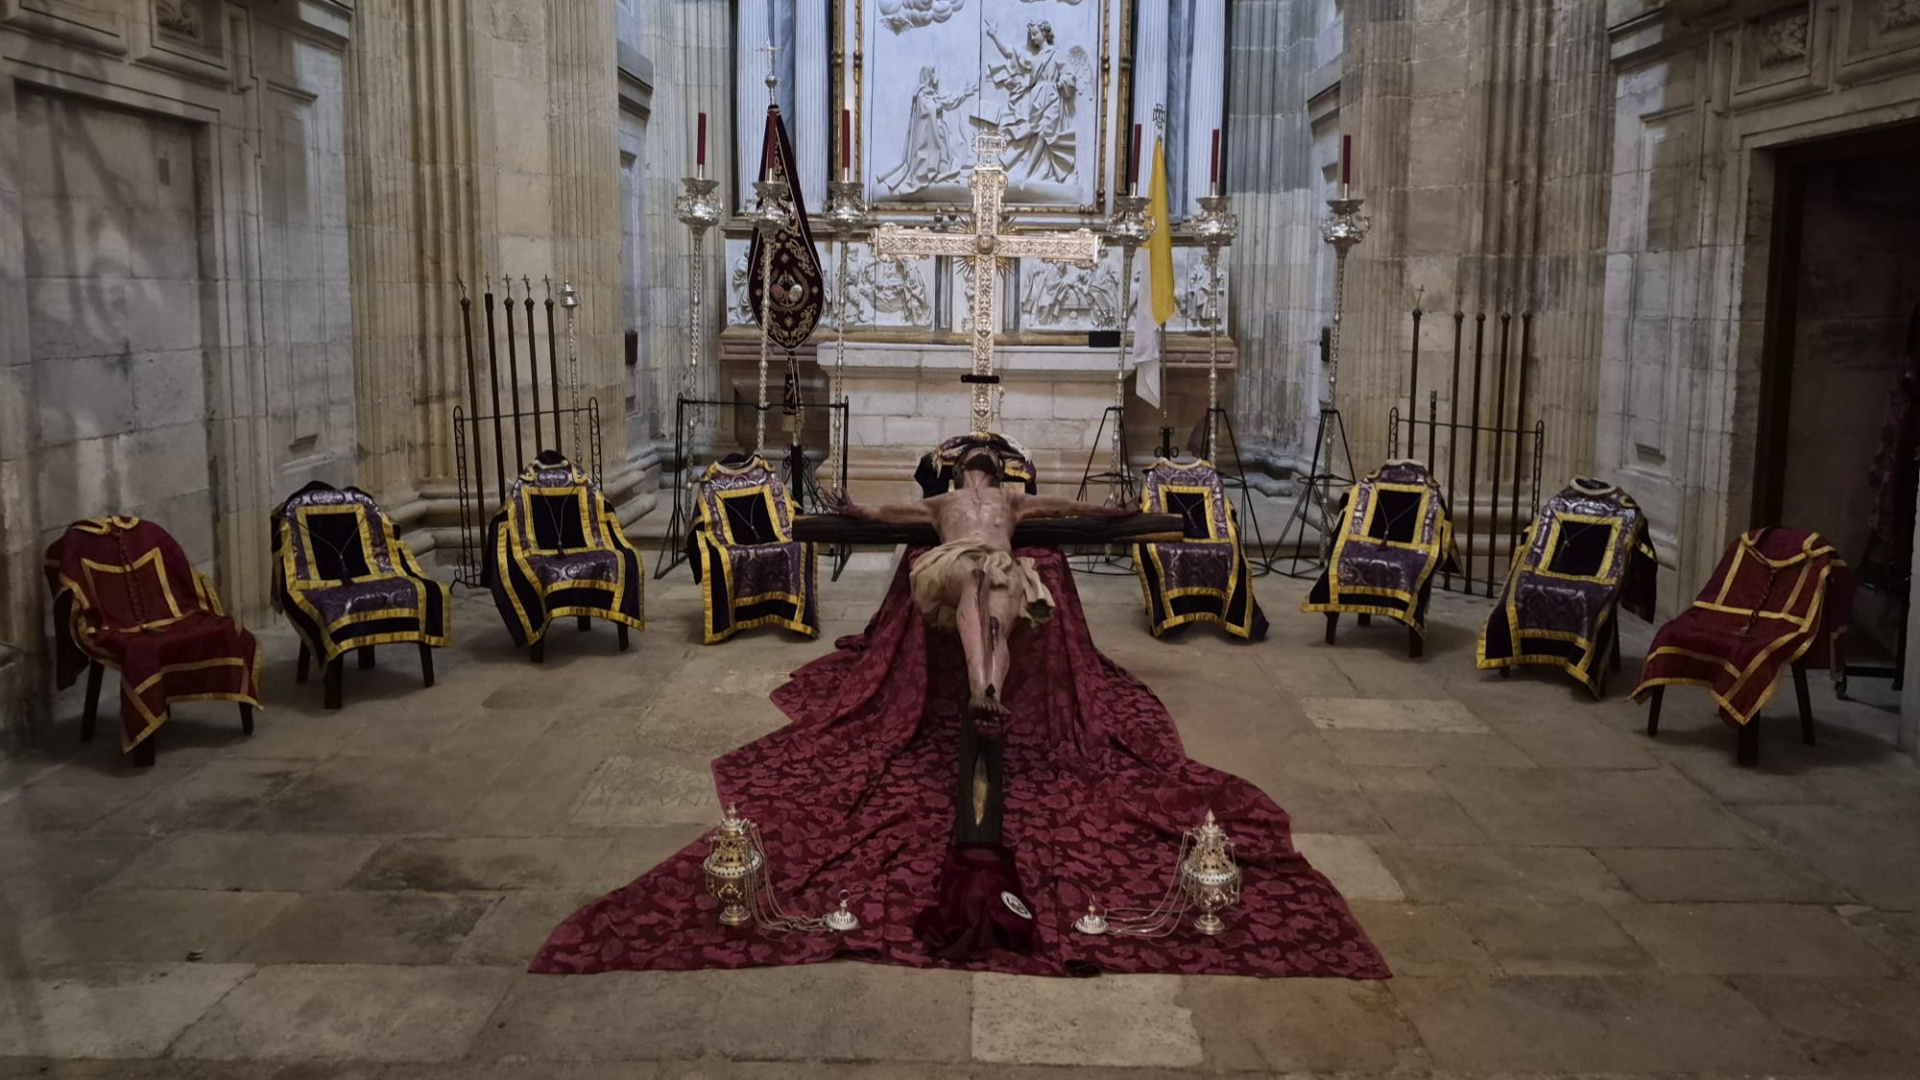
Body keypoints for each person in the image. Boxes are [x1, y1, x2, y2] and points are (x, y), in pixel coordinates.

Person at [826, 446, 1134, 729]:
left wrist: (1112, 512)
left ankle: (992, 698)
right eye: (976, 450)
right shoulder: (942, 502)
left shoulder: (1011, 500)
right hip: (955, 559)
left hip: (1000, 563)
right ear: (957, 470)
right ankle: (977, 688)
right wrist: (853, 509)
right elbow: (887, 513)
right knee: (975, 576)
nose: (984, 449)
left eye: (989, 451)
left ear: (999, 473)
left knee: (998, 625)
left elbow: (1064, 507)